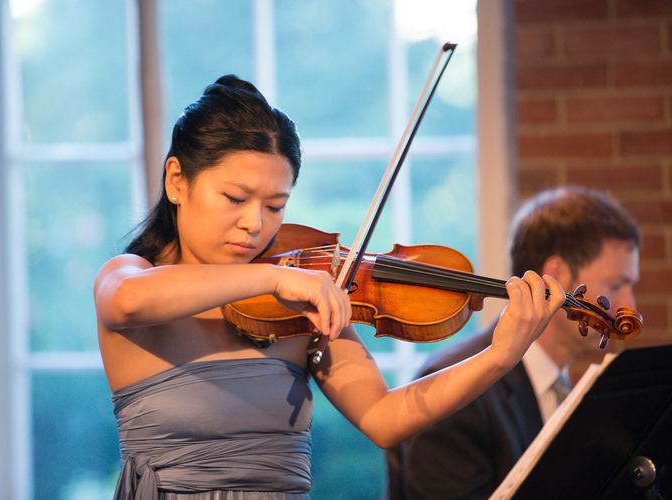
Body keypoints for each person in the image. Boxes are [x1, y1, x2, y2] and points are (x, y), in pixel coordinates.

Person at [93, 75, 566, 499]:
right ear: (177, 180)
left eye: (275, 205)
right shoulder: (133, 275)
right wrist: (275, 275)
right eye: (235, 198)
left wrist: (499, 356)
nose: (254, 224)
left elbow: (385, 417)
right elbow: (129, 301)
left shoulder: (297, 305)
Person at [385, 186, 640, 500]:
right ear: (556, 275)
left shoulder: (568, 389)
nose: (630, 305)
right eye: (617, 285)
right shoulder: (456, 394)